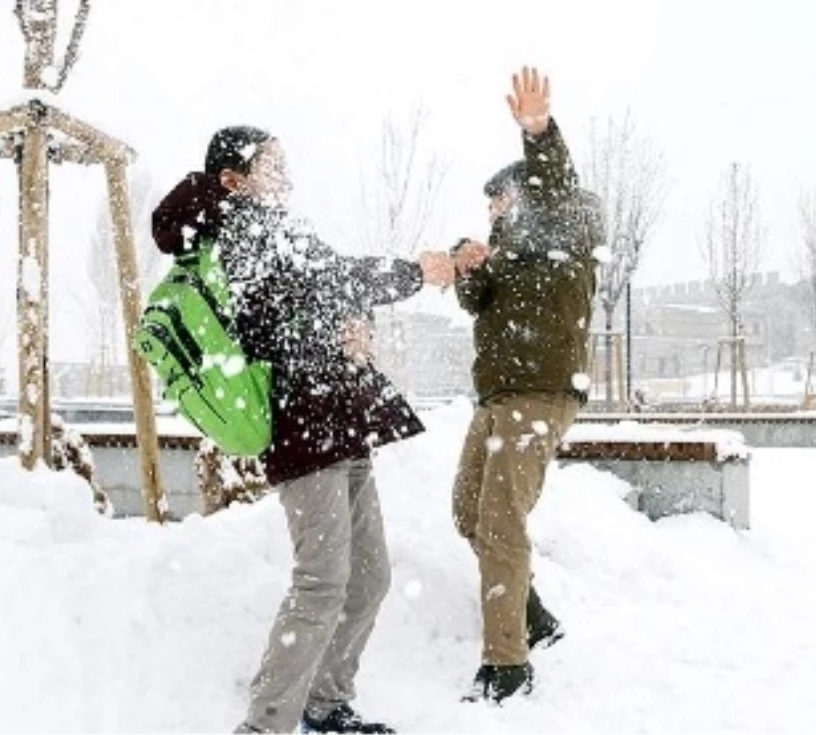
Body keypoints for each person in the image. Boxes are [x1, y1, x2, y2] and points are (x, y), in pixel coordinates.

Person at [151, 126, 455, 735]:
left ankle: (326, 703)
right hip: (304, 427)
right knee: (322, 583)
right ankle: (265, 725)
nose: (286, 177)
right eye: (272, 165)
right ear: (234, 179)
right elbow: (321, 282)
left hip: (342, 420)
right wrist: (411, 272)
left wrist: (354, 322)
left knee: (370, 578)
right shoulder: (239, 229)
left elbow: (322, 292)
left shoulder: (278, 229)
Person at [449, 67, 602, 703]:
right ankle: (532, 614)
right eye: (489, 207)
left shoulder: (567, 226)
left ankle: (507, 664)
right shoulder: (507, 253)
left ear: (525, 195)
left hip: (540, 396)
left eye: (500, 202)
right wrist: (466, 262)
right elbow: (475, 301)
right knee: (468, 512)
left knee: (502, 521)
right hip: (499, 399)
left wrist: (537, 132)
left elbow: (557, 187)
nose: (493, 213)